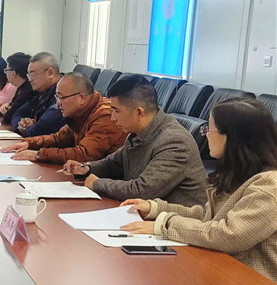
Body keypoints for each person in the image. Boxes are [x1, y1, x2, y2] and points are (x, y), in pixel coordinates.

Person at [121, 99, 277, 282]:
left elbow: (228, 235)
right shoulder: (238, 172)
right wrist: (156, 209)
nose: (206, 135)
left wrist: (163, 225)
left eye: (209, 130)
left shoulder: (268, 186)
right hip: (224, 270)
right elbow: (207, 216)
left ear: (232, 137)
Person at [64, 75, 208, 206]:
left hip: (175, 222)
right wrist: (87, 168)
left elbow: (142, 191)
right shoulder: (138, 132)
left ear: (138, 112)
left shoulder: (174, 142)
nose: (112, 118)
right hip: (146, 216)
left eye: (116, 111)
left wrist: (97, 184)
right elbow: (113, 163)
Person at [1, 72, 126, 163]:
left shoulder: (105, 115)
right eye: (56, 97)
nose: (58, 103)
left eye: (61, 97)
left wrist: (39, 155)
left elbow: (85, 154)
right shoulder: (81, 112)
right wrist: (28, 143)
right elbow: (58, 139)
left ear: (81, 98)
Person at [11, 52, 65, 137]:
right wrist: (21, 125)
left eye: (33, 74)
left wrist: (27, 129)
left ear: (50, 73)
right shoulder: (41, 92)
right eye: (29, 75)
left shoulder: (63, 93)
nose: (30, 79)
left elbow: (42, 129)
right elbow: (17, 113)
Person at [0, 52, 36, 125]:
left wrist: (7, 112)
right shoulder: (21, 88)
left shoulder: (28, 91)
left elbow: (9, 117)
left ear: (13, 73)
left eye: (6, 70)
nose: (5, 73)